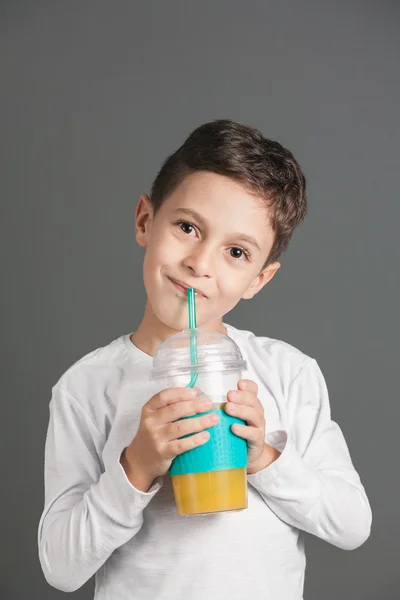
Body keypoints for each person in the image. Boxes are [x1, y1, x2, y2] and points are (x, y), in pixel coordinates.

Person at [38, 119, 372, 599]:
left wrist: (264, 458)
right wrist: (136, 466)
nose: (201, 262)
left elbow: (352, 524)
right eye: (188, 227)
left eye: (236, 251)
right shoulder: (87, 386)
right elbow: (60, 568)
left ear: (259, 279)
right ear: (144, 221)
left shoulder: (288, 373)